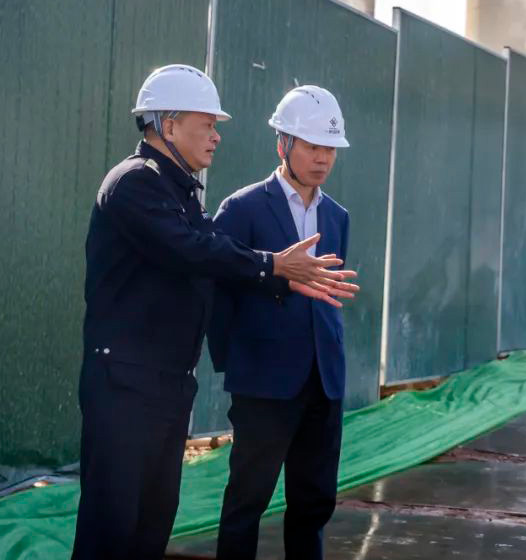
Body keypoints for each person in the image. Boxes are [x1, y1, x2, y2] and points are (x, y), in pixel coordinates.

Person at [73, 65, 357, 559]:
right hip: (125, 383)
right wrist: (273, 268)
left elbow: (211, 255)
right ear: (168, 125)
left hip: (166, 382)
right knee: (113, 523)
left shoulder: (182, 192)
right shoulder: (134, 183)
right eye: (207, 124)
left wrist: (275, 272)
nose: (216, 136)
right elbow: (195, 253)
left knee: (151, 523)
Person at [211, 85, 352, 560]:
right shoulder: (242, 209)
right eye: (312, 146)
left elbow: (328, 293)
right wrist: (237, 364)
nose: (322, 158)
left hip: (323, 382)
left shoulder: (336, 217)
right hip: (264, 383)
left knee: (314, 503)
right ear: (283, 145)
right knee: (247, 500)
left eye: (330, 148)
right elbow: (220, 289)